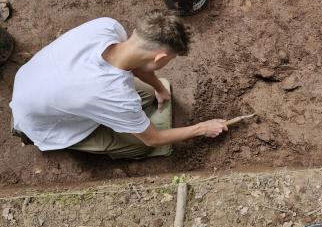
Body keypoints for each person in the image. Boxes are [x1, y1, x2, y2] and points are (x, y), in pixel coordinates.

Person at [10, 12, 228, 159]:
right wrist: (202, 128)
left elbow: (138, 63)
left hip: (32, 82)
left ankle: (130, 110)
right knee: (141, 145)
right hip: (43, 125)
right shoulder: (115, 96)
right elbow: (153, 139)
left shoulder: (107, 27)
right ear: (160, 58)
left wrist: (159, 89)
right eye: (169, 60)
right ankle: (33, 136)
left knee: (146, 95)